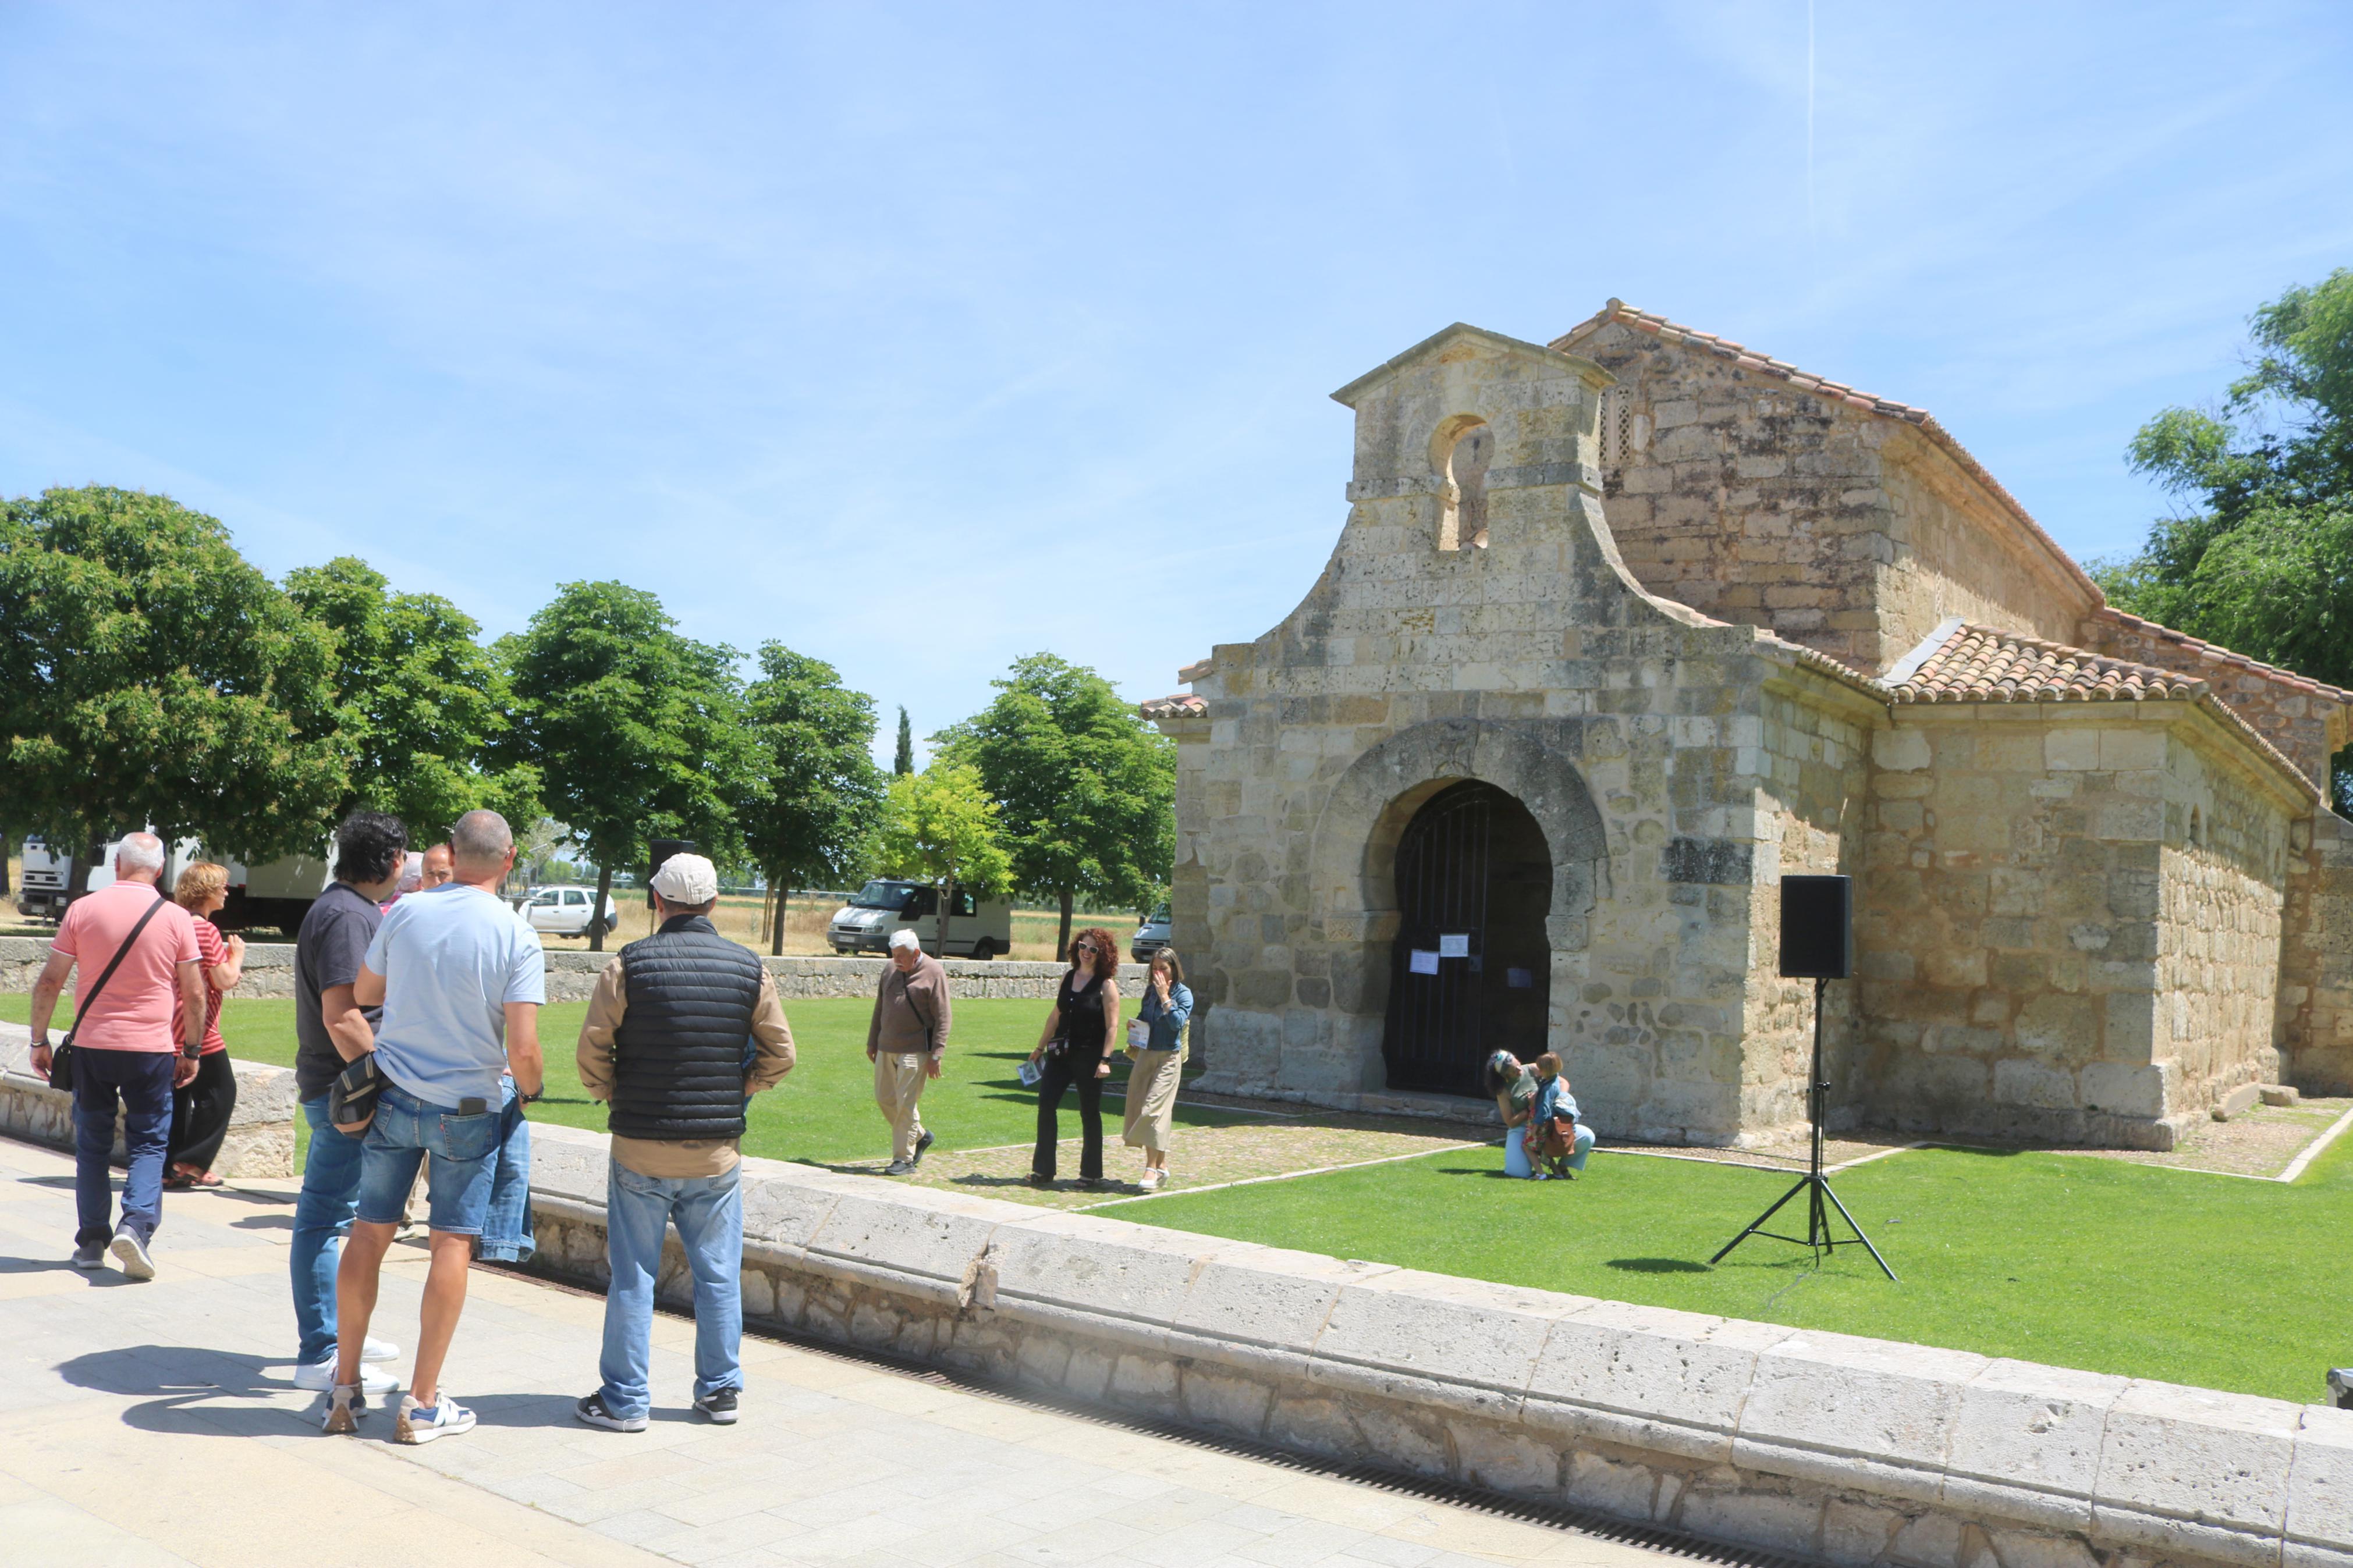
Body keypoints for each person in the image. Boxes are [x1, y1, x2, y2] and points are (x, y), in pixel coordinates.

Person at [325, 810, 545, 1445]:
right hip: (470, 1105)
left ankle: (344, 1389)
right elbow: (524, 1049)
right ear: (507, 861)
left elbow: (366, 989)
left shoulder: (407, 913)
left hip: (395, 1094)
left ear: (452, 851)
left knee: (367, 1235)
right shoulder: (514, 933)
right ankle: (422, 1403)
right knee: (451, 1243)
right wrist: (528, 1091)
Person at [573, 852, 796, 1432]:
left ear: (656, 901)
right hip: (715, 1151)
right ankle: (720, 1391)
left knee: (633, 1278)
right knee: (717, 1275)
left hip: (639, 1147)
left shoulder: (628, 964)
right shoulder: (750, 968)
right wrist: (745, 1084)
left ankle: (624, 1400)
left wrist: (612, 1091)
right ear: (715, 904)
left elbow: (591, 1050)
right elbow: (781, 1053)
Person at [26, 833, 205, 1279]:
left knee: (92, 1144)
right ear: (160, 869)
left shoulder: (83, 909)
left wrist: (39, 1039)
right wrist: (193, 1049)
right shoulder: (177, 917)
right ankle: (137, 1226)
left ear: (117, 865)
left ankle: (90, 1241)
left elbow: (50, 981)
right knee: (148, 1142)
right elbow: (195, 992)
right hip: (151, 1048)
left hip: (93, 1044)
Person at [289, 810, 408, 1393]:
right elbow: (343, 1015)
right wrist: (386, 1079)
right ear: (391, 860)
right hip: (344, 1092)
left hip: (337, 1086)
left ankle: (339, 1330)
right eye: (403, 856)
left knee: (340, 1217)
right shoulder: (346, 915)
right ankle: (323, 1350)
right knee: (324, 1219)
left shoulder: (346, 909)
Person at [164, 862, 246, 1190]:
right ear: (207, 890)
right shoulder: (205, 929)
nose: (227, 891)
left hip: (170, 1024)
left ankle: (171, 1168)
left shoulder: (176, 923)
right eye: (222, 886)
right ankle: (193, 1162)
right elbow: (224, 980)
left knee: (179, 1101)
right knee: (221, 1094)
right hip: (199, 1028)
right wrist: (236, 955)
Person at [1027, 927, 1122, 1190]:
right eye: (1083, 946)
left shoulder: (1106, 985)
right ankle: (1043, 1170)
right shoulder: (1068, 977)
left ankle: (1091, 1174)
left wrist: (1106, 1060)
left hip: (1090, 1055)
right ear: (1076, 947)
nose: (1087, 953)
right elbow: (1055, 1015)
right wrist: (1039, 1047)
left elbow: (1113, 1026)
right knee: (1046, 1104)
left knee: (1089, 1112)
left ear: (1103, 954)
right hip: (1060, 1054)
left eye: (1093, 949)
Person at [865, 928, 950, 1175]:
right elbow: (880, 1007)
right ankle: (921, 1136)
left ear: (916, 953)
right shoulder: (890, 970)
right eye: (894, 955)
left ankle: (903, 1160)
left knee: (905, 1104)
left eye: (902, 955)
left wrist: (937, 1053)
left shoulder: (934, 971)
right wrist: (872, 1041)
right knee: (885, 1099)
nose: (897, 960)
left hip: (916, 1049)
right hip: (886, 1046)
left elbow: (944, 1016)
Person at [1120, 947, 1191, 1190]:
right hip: (1146, 1055)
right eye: (1155, 969)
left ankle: (1150, 1169)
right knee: (1138, 1106)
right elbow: (1145, 1017)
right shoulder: (1150, 992)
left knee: (1154, 1110)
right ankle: (1162, 1164)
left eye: (1164, 968)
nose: (1158, 973)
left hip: (1168, 1059)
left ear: (1174, 969)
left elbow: (1177, 1024)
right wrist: (1135, 1027)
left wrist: (1165, 998)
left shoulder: (1184, 994)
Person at [1525, 1052, 1596, 1181]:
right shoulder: (1555, 1082)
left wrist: (1536, 1125)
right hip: (1551, 1123)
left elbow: (1545, 1109)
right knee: (1544, 1150)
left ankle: (1540, 1174)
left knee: (1528, 1147)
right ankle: (1558, 1174)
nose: (1537, 1070)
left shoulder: (1547, 1088)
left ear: (1545, 1071)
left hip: (1542, 1124)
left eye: (1540, 1069)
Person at [1485, 1049, 1539, 1179]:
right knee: (1518, 1173)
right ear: (1505, 1076)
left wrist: (1559, 1097)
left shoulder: (1533, 1069)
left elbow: (1561, 1082)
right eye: (1514, 1071)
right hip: (1522, 1128)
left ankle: (1560, 1168)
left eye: (1519, 1065)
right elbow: (1510, 1122)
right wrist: (1530, 1108)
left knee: (1586, 1137)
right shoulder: (1503, 1090)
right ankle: (1535, 1161)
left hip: (1546, 1122)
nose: (1520, 1071)